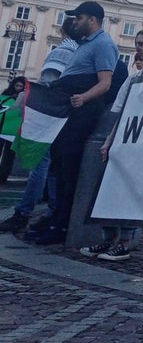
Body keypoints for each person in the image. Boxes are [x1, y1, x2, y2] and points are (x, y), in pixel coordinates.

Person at [82, 28, 143, 261]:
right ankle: (108, 239)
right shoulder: (135, 75)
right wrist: (108, 140)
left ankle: (125, 242)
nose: (138, 48)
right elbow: (121, 110)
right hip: (125, 138)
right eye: (137, 44)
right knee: (110, 191)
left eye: (141, 44)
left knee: (131, 193)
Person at [30, 1, 117, 245]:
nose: (74, 22)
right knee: (59, 164)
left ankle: (61, 224)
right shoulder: (85, 44)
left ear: (92, 19)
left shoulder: (103, 44)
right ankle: (55, 217)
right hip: (68, 108)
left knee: (69, 166)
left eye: (78, 18)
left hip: (81, 111)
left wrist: (83, 98)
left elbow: (105, 83)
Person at [0, 18, 77, 234]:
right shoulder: (80, 52)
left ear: (62, 32)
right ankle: (52, 212)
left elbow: (49, 84)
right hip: (67, 116)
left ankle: (24, 212)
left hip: (50, 114)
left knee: (42, 165)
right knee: (53, 167)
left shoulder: (61, 53)